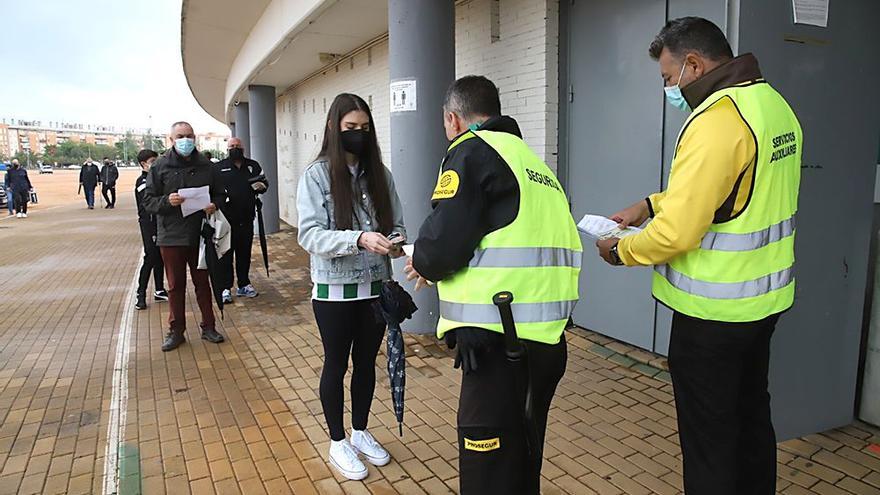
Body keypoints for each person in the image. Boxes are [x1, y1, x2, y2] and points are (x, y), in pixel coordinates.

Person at [595, 18, 801, 495]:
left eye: (668, 78)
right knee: (752, 422)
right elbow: (727, 197)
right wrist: (648, 205)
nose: (668, 88)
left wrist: (620, 250)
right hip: (762, 307)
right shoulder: (774, 106)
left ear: (693, 64)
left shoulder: (715, 119)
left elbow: (679, 232)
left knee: (710, 440)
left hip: (712, 318)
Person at [405, 76, 582, 494]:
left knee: (487, 469)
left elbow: (441, 246)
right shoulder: (534, 164)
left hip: (499, 348)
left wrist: (422, 259)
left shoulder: (470, 152)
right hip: (546, 342)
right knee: (521, 460)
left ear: (453, 119)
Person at [296, 94, 406, 481]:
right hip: (334, 292)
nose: (358, 135)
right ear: (333, 129)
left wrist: (393, 241)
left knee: (366, 364)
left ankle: (360, 431)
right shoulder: (316, 176)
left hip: (376, 287)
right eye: (350, 129)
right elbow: (309, 235)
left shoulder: (381, 175)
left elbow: (398, 225)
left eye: (364, 128)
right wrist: (358, 239)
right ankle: (337, 439)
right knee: (336, 364)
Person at [143, 122, 226, 352]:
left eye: (189, 136)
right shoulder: (159, 166)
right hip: (170, 236)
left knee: (202, 283)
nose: (186, 140)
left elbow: (220, 194)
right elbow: (148, 201)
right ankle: (176, 330)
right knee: (175, 285)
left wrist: (214, 204)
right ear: (171, 139)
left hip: (199, 234)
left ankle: (208, 327)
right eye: (181, 136)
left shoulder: (206, 165)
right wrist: (166, 201)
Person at [216, 137, 268, 303]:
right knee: (225, 255)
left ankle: (243, 284)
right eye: (232, 146)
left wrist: (261, 187)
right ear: (227, 149)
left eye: (237, 146)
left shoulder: (253, 166)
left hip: (246, 219)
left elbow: (265, 183)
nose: (235, 148)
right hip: (225, 220)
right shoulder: (219, 168)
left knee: (244, 254)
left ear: (243, 148)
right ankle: (225, 287)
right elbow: (212, 191)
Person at [134, 149, 168, 310]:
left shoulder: (157, 178)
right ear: (144, 164)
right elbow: (150, 204)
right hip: (149, 224)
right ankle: (140, 294)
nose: (156, 164)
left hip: (160, 223)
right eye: (152, 161)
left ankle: (159, 289)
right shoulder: (142, 182)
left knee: (160, 256)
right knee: (151, 257)